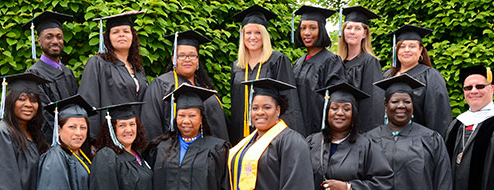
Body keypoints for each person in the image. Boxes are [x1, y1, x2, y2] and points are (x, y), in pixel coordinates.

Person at [229, 4, 305, 143]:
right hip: (242, 134)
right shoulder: (237, 66)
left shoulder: (277, 60)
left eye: (258, 32)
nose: (253, 37)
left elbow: (289, 101)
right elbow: (236, 105)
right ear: (243, 36)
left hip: (271, 134)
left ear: (265, 35)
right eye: (248, 33)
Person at [140, 30, 228, 142]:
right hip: (173, 155)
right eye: (181, 55)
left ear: (197, 60)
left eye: (192, 55)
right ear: (173, 60)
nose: (187, 59)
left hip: (209, 154)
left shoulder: (205, 86)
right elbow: (151, 126)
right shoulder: (161, 85)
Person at [79, 11, 149, 139]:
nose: (121, 35)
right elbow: (89, 102)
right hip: (107, 138)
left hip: (132, 137)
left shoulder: (138, 69)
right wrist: (93, 140)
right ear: (108, 38)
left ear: (133, 36)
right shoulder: (98, 63)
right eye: (115, 32)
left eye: (126, 31)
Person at [23, 11, 79, 141]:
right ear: (39, 41)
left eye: (59, 37)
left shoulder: (68, 72)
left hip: (73, 138)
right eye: (49, 37)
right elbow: (44, 113)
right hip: (49, 140)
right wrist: (62, 135)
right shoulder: (34, 74)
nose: (55, 41)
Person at [385, 24, 451, 134]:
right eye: (402, 46)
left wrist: (433, 144)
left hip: (417, 144)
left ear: (420, 50)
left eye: (412, 46)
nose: (406, 50)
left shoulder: (430, 76)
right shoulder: (386, 76)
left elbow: (438, 118)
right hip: (384, 142)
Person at [292, 5, 346, 136]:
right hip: (296, 128)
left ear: (321, 30)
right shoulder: (298, 62)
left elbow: (336, 99)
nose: (306, 33)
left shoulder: (332, 61)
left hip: (319, 131)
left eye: (312, 28)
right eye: (303, 28)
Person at [337, 6, 384, 133]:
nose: (352, 32)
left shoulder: (369, 62)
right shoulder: (336, 62)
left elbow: (373, 102)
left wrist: (365, 134)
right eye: (349, 27)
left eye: (358, 28)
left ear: (364, 34)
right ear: (343, 31)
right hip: (337, 129)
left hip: (359, 131)